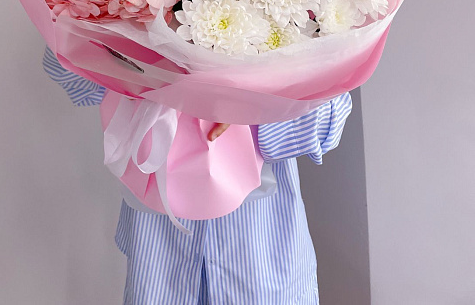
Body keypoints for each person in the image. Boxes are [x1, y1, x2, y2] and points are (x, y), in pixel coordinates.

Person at [43, 47, 352, 305]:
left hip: (263, 259)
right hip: (159, 258)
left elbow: (331, 119)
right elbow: (70, 72)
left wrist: (251, 108)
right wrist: (128, 58)